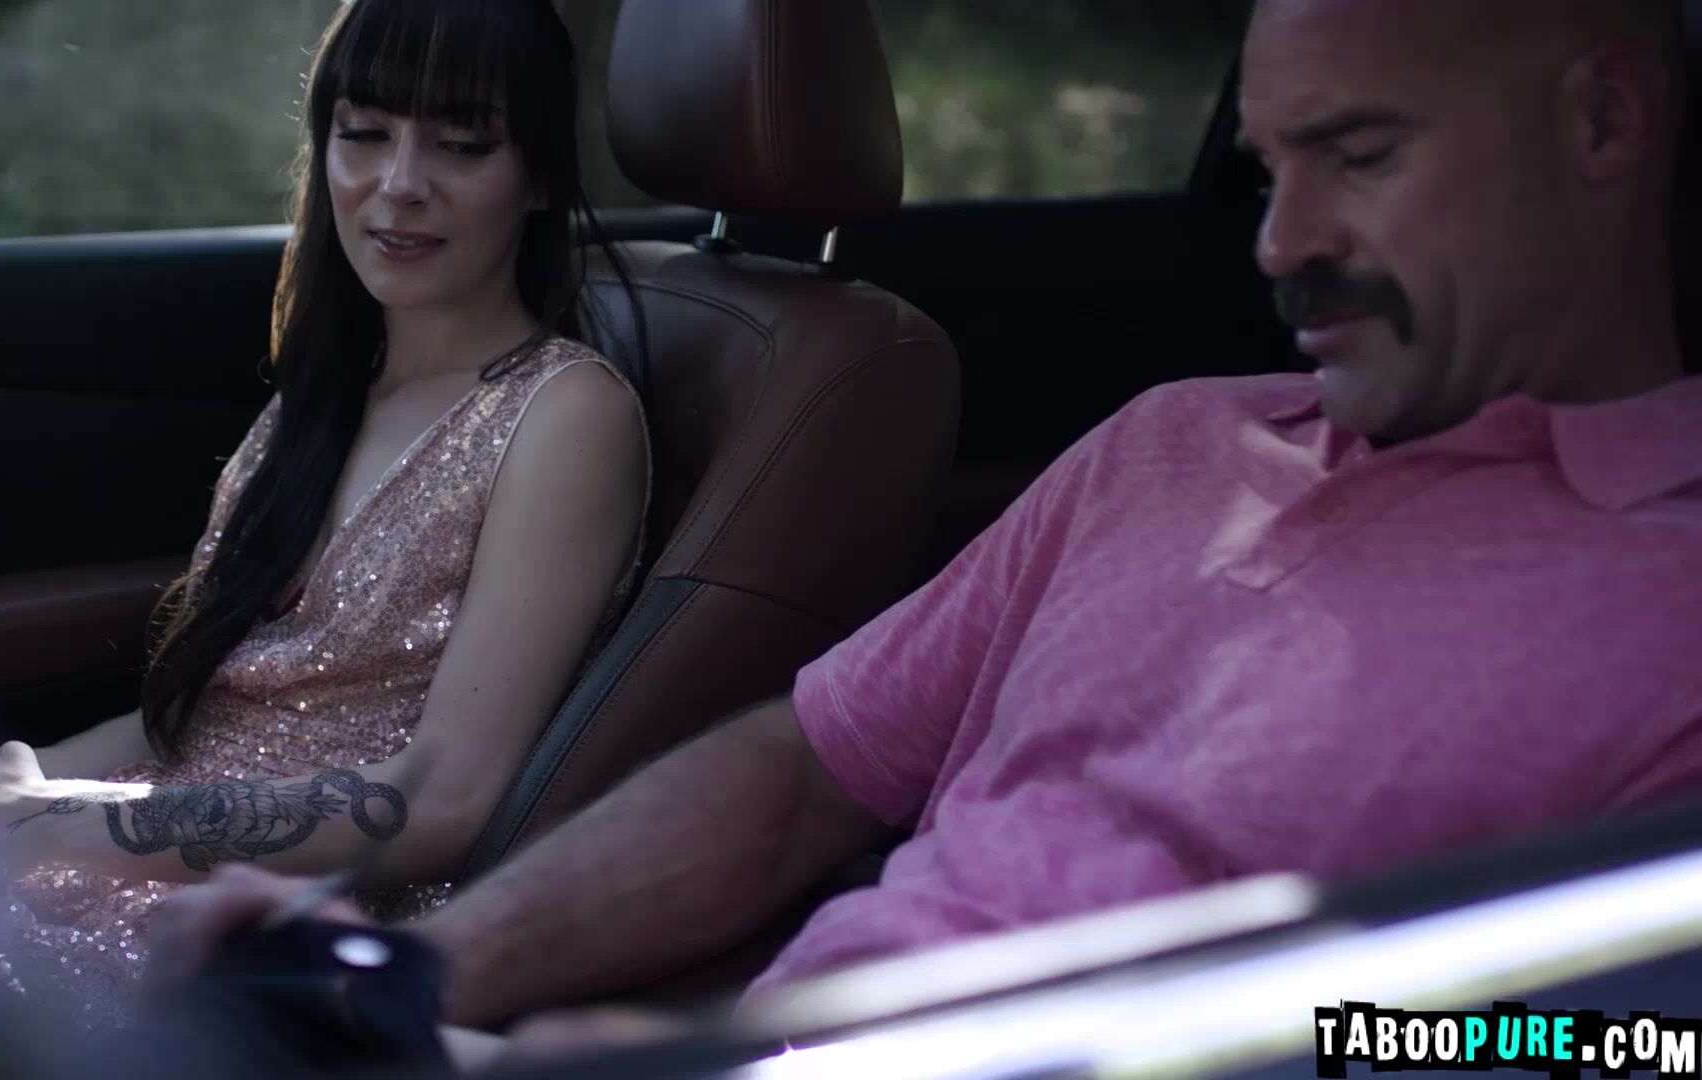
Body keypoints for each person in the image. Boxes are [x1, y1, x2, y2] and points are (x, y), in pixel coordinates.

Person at [159, 0, 1702, 1057]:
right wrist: (429, 972)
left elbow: (1596, 1038)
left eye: (1360, 158)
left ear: (1604, 122)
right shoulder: (1173, 443)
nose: (1281, 244)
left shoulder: (1668, 597)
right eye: (1268, 170)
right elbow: (804, 772)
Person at [0, 0, 651, 1028]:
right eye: (363, 133)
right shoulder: (321, 398)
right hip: (135, 853)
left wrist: (51, 825)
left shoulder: (566, 414)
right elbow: (208, 714)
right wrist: (8, 783)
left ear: (542, 175)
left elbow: (444, 802)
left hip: (274, 924)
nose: (399, 182)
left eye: (463, 145)